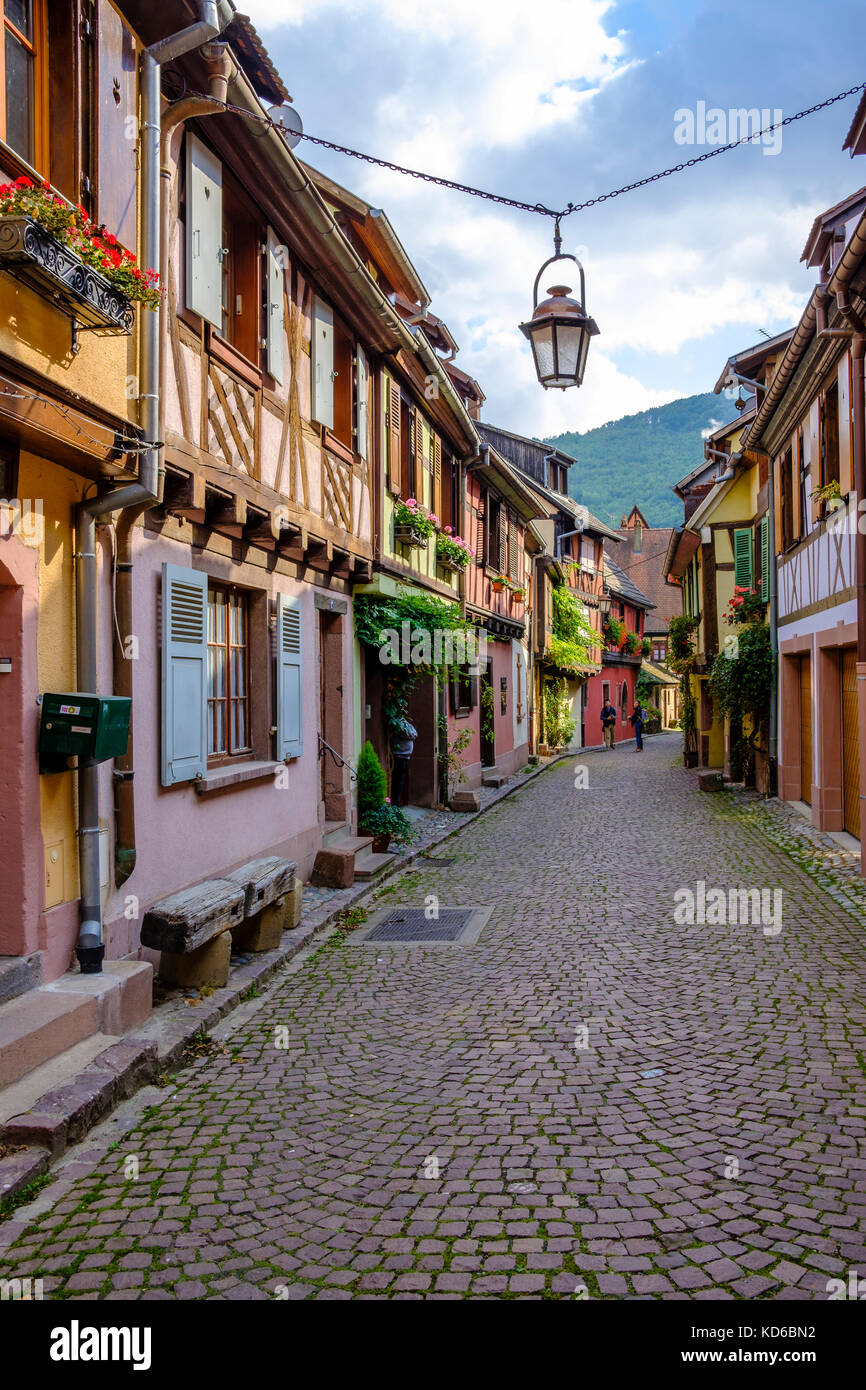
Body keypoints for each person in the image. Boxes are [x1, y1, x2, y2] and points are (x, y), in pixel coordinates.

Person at [390, 719, 417, 805]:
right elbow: (407, 733)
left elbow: (415, 733)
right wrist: (411, 733)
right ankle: (395, 802)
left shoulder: (404, 721)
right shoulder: (397, 722)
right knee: (397, 780)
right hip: (399, 755)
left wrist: (411, 733)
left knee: (400, 780)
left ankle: (396, 802)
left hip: (404, 756)